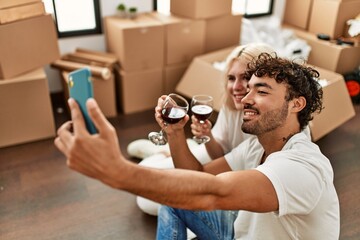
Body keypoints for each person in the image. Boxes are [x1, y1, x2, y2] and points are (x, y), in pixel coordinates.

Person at [54, 53, 340, 239]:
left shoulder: (304, 166)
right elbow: (200, 175)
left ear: (296, 104)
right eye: (247, 88)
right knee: (174, 197)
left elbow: (214, 193)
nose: (245, 98)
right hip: (241, 233)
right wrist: (175, 133)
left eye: (261, 90)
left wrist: (115, 171)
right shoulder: (256, 146)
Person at [134, 43, 279, 216]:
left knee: (147, 202)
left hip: (229, 175)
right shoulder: (233, 108)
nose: (236, 87)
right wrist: (206, 135)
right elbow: (218, 155)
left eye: (245, 77)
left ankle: (180, 149)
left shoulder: (272, 135)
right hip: (223, 163)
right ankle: (167, 151)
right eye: (231, 78)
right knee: (145, 177)